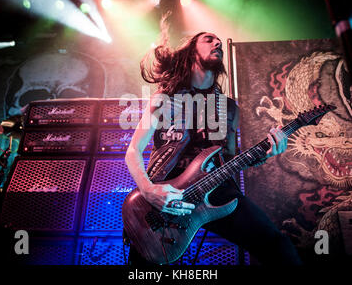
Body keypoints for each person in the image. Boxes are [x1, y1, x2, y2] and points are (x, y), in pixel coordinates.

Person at [124, 16, 302, 265]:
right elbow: (133, 150)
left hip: (216, 191)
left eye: (219, 40)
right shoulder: (165, 97)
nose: (217, 42)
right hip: (167, 194)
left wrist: (267, 153)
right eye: (209, 39)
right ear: (191, 52)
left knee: (278, 247)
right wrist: (148, 189)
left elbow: (230, 159)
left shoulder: (229, 108)